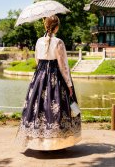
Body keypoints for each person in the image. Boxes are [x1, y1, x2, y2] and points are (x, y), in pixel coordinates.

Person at [16, 15, 81, 150]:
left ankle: (38, 141)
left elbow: (37, 61)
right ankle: (55, 142)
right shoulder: (58, 42)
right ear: (56, 27)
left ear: (46, 26)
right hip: (54, 75)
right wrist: (69, 85)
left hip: (39, 76)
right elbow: (63, 65)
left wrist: (42, 72)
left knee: (38, 107)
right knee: (56, 106)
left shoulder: (39, 41)